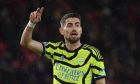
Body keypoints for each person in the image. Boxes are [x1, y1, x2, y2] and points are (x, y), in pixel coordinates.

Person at [20, 7, 106, 84]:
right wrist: (31, 23)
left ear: (81, 30)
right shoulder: (54, 49)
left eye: (77, 25)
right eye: (69, 25)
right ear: (61, 31)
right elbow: (26, 43)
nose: (74, 28)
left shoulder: (93, 54)